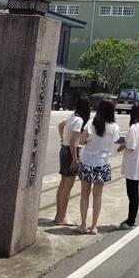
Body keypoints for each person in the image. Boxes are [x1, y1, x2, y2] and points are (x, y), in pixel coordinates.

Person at [78, 98, 120, 234]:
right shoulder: (114, 127)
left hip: (87, 161)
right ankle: (94, 226)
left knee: (84, 194)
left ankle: (83, 224)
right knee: (98, 196)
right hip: (102, 163)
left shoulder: (91, 123)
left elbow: (82, 141)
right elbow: (114, 141)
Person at [55, 96, 90, 225]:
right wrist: (75, 159)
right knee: (67, 187)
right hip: (71, 152)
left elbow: (60, 126)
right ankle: (62, 217)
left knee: (63, 184)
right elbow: (73, 141)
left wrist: (62, 139)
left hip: (64, 150)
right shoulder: (79, 120)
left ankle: (58, 215)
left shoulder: (72, 116)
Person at [118, 103, 139, 230]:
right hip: (138, 164)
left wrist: (122, 145)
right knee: (134, 192)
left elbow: (130, 145)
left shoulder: (134, 128)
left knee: (132, 193)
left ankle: (131, 220)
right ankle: (132, 218)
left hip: (132, 165)